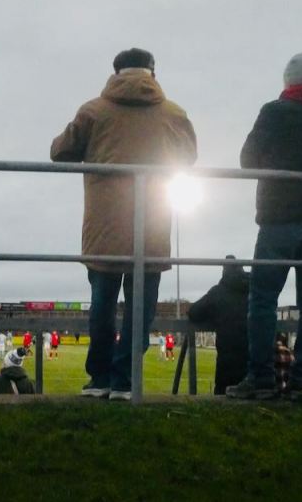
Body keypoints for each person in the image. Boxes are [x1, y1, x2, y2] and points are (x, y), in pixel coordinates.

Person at [51, 47, 197, 401]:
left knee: (102, 305)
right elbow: (189, 157)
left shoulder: (93, 111)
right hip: (152, 227)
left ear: (115, 73)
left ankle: (99, 378)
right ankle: (125, 380)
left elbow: (59, 151)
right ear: (153, 73)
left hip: (104, 228)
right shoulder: (174, 114)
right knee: (140, 311)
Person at [227, 53, 302, 403]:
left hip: (280, 219)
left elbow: (247, 160)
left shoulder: (275, 112)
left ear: (288, 80)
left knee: (263, 300)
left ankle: (261, 379)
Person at [186, 255, 249, 395]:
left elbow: (194, 312)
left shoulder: (218, 291)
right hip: (257, 361)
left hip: (228, 361)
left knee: (223, 397)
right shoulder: (255, 291)